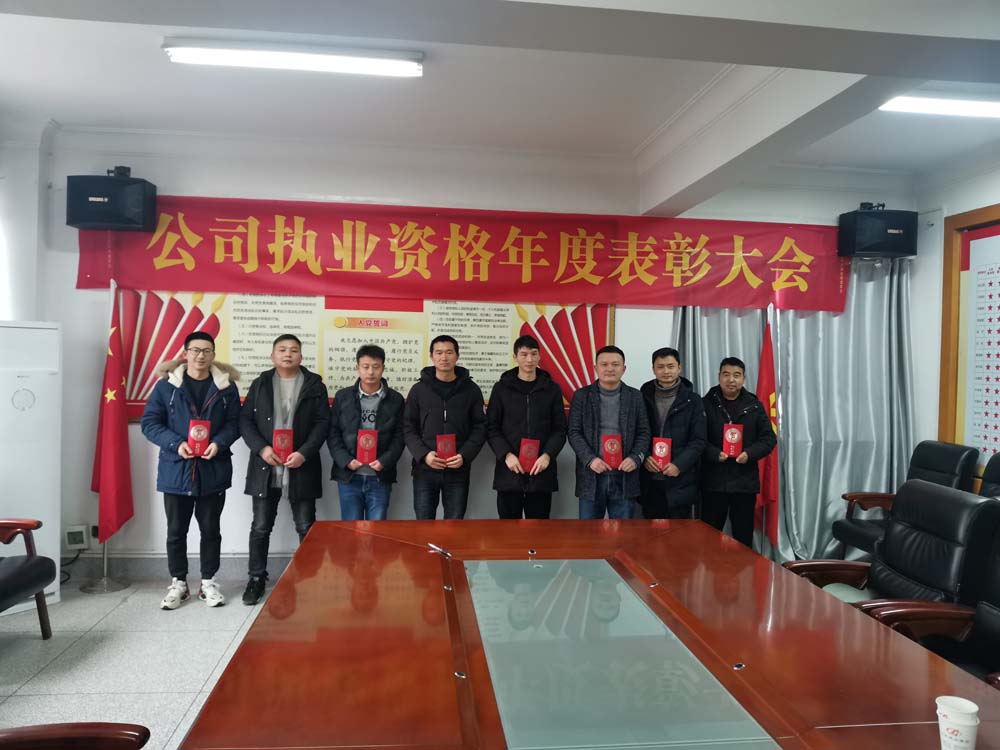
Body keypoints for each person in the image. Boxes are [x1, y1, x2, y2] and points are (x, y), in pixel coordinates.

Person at [140, 331, 241, 610]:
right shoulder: (166, 386)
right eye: (195, 350)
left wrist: (219, 443)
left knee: (211, 530)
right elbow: (150, 423)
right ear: (185, 354)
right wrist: (176, 443)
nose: (200, 355)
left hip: (213, 468)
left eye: (207, 351)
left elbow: (235, 423)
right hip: (176, 469)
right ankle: (179, 583)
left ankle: (208, 582)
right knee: (176, 531)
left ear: (213, 354)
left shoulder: (226, 387)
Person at [239, 334, 330, 605]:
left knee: (306, 526)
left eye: (293, 350)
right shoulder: (260, 383)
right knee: (260, 526)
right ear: (273, 355)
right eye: (282, 349)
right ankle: (256, 578)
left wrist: (304, 453)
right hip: (265, 467)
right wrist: (261, 449)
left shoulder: (314, 385)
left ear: (301, 356)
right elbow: (245, 421)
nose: (288, 354)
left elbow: (323, 423)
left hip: (301, 465)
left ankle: (310, 579)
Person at [403, 335, 487, 519]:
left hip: (457, 469)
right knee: (424, 522)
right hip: (425, 469)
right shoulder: (418, 390)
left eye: (449, 352)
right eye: (439, 353)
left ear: (457, 356)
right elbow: (408, 427)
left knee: (454, 523)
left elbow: (480, 427)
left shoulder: (471, 390)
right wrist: (424, 455)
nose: (444, 357)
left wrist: (464, 455)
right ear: (431, 356)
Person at [486, 335, 567, 519]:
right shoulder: (501, 388)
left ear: (540, 356)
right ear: (515, 357)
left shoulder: (552, 389)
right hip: (510, 470)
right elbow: (491, 427)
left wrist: (548, 455)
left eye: (534, 354)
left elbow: (560, 429)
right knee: (508, 528)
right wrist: (506, 455)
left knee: (539, 528)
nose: (529, 359)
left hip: (541, 470)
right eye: (524, 354)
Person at [701, 356, 776, 548]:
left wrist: (749, 454)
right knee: (708, 537)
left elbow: (769, 439)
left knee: (743, 537)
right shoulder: (705, 404)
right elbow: (697, 439)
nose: (731, 380)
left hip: (744, 482)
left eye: (736, 375)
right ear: (719, 376)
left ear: (743, 378)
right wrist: (714, 453)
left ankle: (742, 569)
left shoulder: (754, 405)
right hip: (713, 481)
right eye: (726, 374)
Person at [567, 345, 650, 519]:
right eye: (604, 364)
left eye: (615, 364)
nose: (610, 368)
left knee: (623, 532)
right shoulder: (581, 396)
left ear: (624, 369)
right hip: (591, 474)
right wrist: (590, 459)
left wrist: (635, 458)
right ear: (595, 368)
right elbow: (574, 432)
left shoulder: (635, 396)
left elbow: (644, 432)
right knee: (589, 532)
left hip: (625, 475)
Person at [327, 344, 405, 521]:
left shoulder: (395, 399)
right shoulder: (343, 397)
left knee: (376, 529)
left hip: (379, 476)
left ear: (383, 368)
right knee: (350, 528)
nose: (371, 372)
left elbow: (400, 436)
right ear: (357, 368)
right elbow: (333, 433)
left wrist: (384, 461)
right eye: (366, 366)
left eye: (376, 367)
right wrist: (346, 461)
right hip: (349, 475)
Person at [639, 347, 706, 519]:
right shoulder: (641, 397)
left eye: (670, 366)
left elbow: (698, 440)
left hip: (680, 478)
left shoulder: (693, 400)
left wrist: (679, 465)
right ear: (653, 369)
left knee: (678, 533)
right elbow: (636, 433)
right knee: (649, 531)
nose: (666, 371)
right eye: (660, 367)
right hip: (649, 478)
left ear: (679, 368)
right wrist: (644, 457)